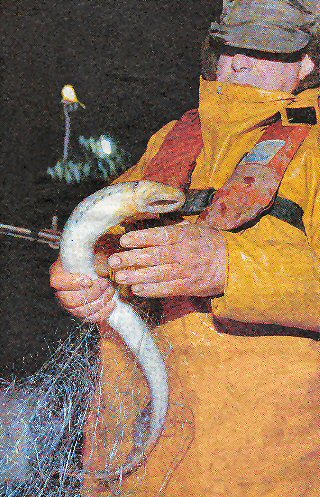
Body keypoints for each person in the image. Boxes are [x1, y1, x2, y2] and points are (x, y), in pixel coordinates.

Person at [50, 1, 320, 495]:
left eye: (261, 49)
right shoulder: (175, 137)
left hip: (252, 467)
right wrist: (80, 274)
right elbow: (105, 240)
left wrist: (229, 267)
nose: (236, 63)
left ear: (306, 62)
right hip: (127, 459)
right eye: (228, 46)